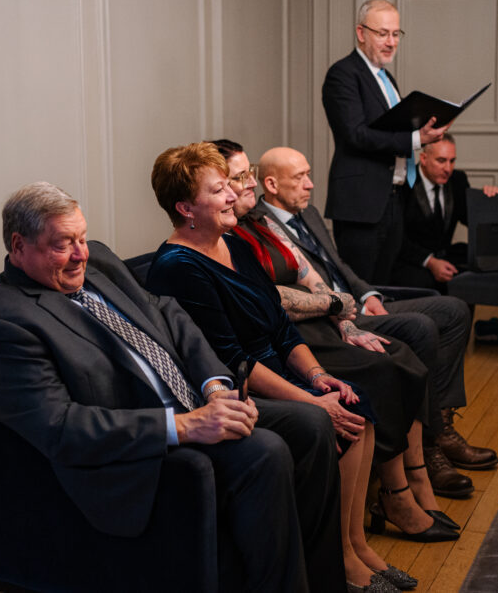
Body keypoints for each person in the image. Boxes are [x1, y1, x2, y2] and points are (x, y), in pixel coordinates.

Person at [0, 182, 346, 593]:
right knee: (263, 451)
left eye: (81, 238)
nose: (80, 254)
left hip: (195, 400)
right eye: (63, 244)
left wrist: (216, 388)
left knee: (311, 424)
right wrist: (186, 426)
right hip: (139, 446)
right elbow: (61, 426)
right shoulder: (5, 320)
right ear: (19, 246)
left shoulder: (100, 263)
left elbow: (169, 313)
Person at [147, 144, 446, 593]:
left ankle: (356, 543)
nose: (233, 196)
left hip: (278, 371)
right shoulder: (177, 267)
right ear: (185, 208)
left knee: (353, 402)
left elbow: (281, 326)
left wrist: (318, 377)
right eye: (219, 189)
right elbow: (233, 362)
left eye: (229, 185)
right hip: (237, 388)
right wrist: (311, 402)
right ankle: (340, 561)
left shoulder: (232, 243)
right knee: (335, 418)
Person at [213, 139, 459, 551]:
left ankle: (414, 477)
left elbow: (315, 272)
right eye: (239, 178)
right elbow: (268, 302)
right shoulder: (230, 236)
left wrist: (347, 316)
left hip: (312, 325)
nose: (248, 184)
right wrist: (335, 309)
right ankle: (394, 497)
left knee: (402, 354)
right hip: (283, 337)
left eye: (248, 174)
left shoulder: (254, 226)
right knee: (382, 367)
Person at [253, 145, 498, 497]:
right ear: (272, 184)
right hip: (333, 320)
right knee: (420, 326)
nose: (310, 184)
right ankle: (430, 448)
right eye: (300, 177)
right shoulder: (260, 226)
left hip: (359, 304)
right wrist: (346, 311)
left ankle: (441, 425)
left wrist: (369, 296)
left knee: (452, 308)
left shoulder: (309, 213)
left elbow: (341, 269)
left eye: (309, 174)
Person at [322, 0, 450, 286]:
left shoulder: (385, 77)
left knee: (384, 288)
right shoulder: (342, 74)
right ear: (361, 32)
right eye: (382, 33)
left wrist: (431, 123)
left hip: (393, 200)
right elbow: (355, 134)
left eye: (396, 34)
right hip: (361, 204)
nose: (391, 42)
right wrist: (418, 138)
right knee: (362, 292)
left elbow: (393, 128)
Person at [393, 134, 498, 292]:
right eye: (441, 160)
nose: (448, 169)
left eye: (452, 161)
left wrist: (488, 201)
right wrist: (430, 262)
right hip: (413, 260)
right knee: (421, 282)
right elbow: (397, 236)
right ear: (423, 159)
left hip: (446, 255)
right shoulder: (405, 184)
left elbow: (471, 219)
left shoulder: (457, 180)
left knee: (473, 271)